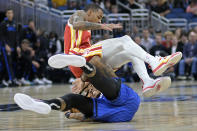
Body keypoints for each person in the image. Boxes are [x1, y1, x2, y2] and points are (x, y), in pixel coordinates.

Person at [63, 3, 182, 97]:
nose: (100, 21)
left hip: (85, 63)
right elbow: (78, 24)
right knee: (125, 40)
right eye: (99, 17)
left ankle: (147, 83)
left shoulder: (86, 32)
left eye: (101, 19)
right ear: (89, 12)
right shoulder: (79, 14)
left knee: (131, 52)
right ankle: (154, 61)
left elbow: (93, 54)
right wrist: (101, 26)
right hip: (76, 58)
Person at [14, 55, 171, 122]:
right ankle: (45, 104)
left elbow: (98, 61)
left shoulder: (107, 82)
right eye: (89, 92)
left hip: (124, 100)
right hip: (110, 114)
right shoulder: (93, 99)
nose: (91, 92)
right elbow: (80, 115)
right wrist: (71, 113)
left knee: (104, 84)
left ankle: (83, 64)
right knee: (73, 99)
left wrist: (83, 80)